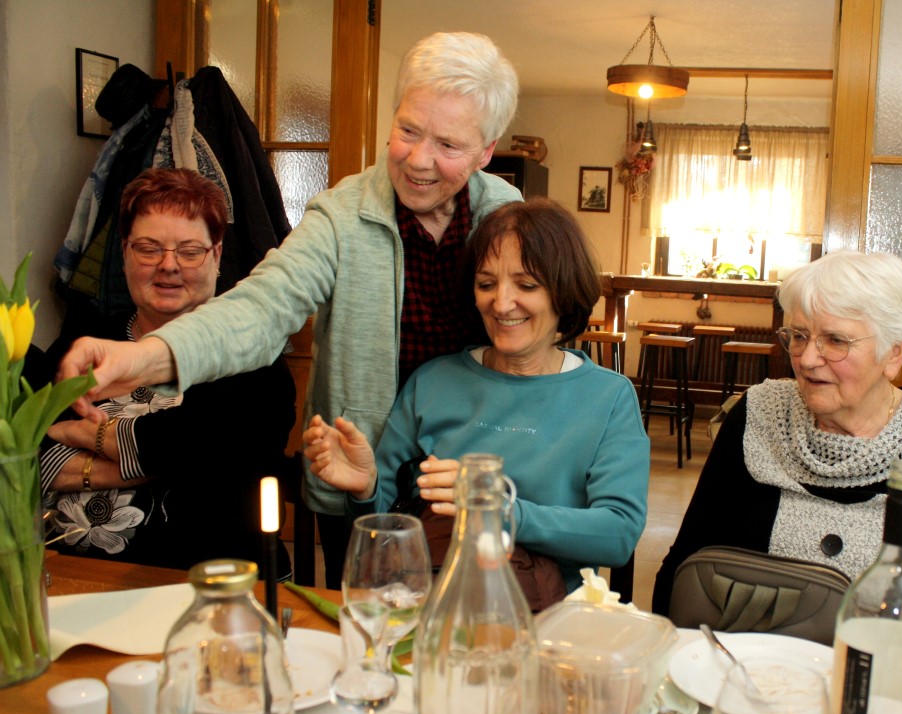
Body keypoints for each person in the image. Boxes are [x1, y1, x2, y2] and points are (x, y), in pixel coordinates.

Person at [56, 32, 523, 586]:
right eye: (407, 131)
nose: (419, 160)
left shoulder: (507, 215)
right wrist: (144, 358)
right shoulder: (341, 216)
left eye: (448, 145)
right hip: (360, 476)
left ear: (486, 150)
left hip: (473, 473)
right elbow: (260, 309)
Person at [651, 251, 902, 660]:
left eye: (835, 340)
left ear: (894, 353)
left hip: (890, 694)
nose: (808, 359)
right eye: (799, 335)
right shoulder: (757, 415)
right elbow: (682, 571)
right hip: (748, 679)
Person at [302, 199, 649, 594]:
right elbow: (385, 528)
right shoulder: (434, 380)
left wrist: (497, 511)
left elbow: (618, 535)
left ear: (564, 292)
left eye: (526, 285)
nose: (500, 303)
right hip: (425, 604)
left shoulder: (607, 397)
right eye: (486, 284)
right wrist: (364, 489)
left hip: (545, 622)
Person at [38, 167, 296, 574]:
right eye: (148, 248)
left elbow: (202, 460)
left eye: (190, 251)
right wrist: (140, 458)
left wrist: (79, 437)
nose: (168, 266)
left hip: (207, 590)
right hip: (72, 576)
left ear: (216, 255)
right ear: (124, 252)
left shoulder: (251, 357)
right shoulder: (85, 340)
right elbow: (22, 451)